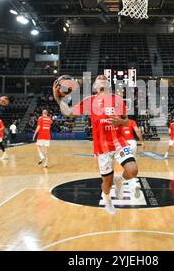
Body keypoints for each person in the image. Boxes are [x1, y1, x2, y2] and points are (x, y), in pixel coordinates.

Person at [53, 74, 140, 215]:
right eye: (99, 78)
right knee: (107, 182)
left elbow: (126, 121)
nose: (102, 78)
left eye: (105, 78)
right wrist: (58, 99)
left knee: (133, 170)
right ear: (94, 86)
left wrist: (121, 122)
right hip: (102, 147)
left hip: (119, 142)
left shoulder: (117, 100)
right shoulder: (90, 101)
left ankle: (120, 180)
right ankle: (107, 202)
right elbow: (69, 113)